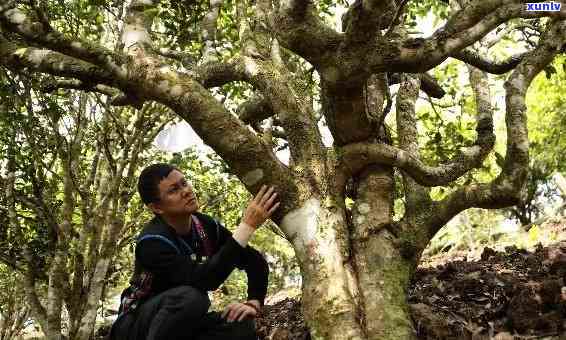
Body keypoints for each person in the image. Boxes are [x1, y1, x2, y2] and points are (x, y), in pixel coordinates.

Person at [110, 163, 279, 340]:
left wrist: (253, 303)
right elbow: (205, 280)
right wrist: (246, 227)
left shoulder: (206, 226)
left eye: (184, 183)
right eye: (173, 190)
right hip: (136, 327)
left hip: (180, 324)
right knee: (192, 297)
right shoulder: (152, 243)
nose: (186, 191)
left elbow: (254, 261)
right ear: (156, 208)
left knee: (241, 326)